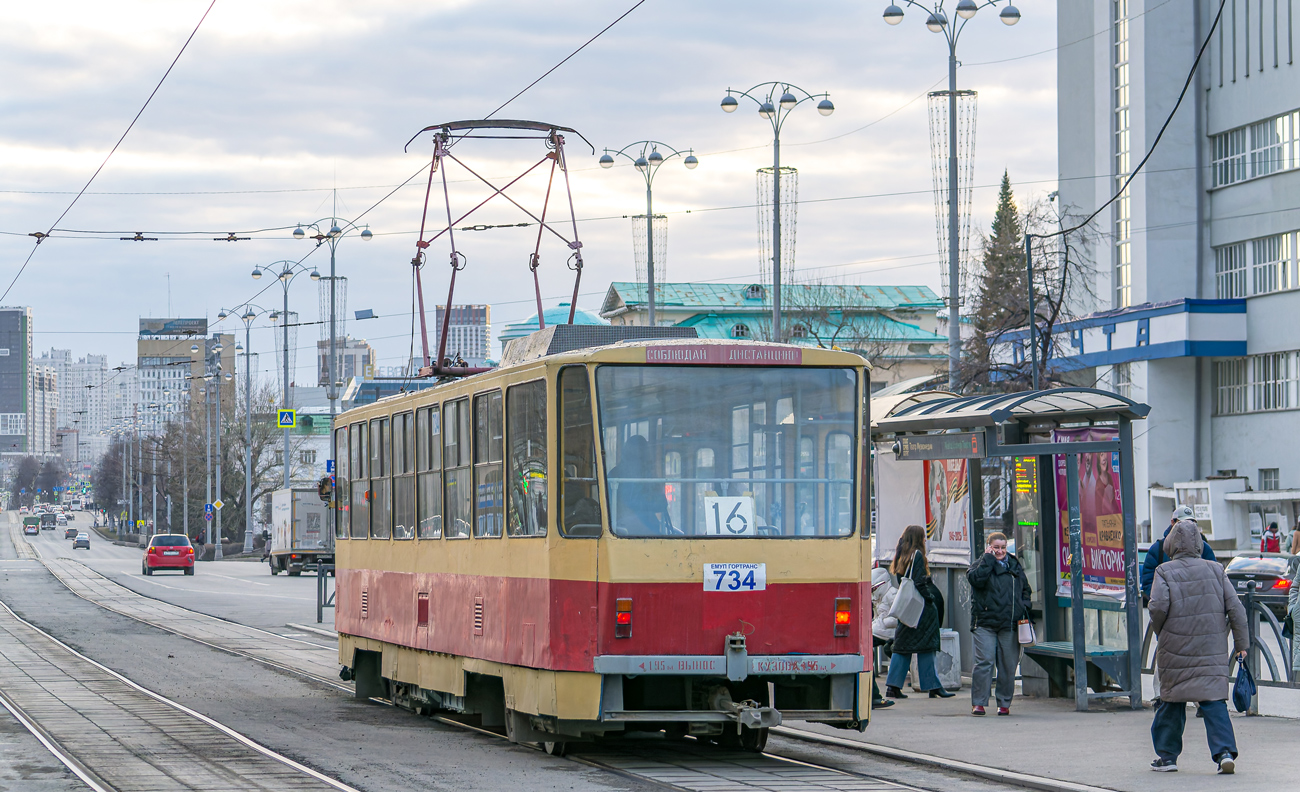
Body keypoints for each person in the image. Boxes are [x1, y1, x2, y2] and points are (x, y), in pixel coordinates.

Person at [1147, 519, 1248, 774]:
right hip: (1210, 650)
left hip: (1175, 649)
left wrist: (1162, 631)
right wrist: (1241, 644)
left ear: (1172, 544)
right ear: (1199, 544)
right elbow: (1236, 609)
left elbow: (1157, 607)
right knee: (1214, 702)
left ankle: (1167, 757)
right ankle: (1224, 753)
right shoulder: (1216, 570)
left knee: (1171, 701)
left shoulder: (1164, 571)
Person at [966, 531, 1032, 716]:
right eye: (996, 547)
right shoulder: (980, 564)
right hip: (985, 623)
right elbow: (976, 580)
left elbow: (1025, 589)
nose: (1000, 551)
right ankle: (979, 703)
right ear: (989, 547)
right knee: (984, 662)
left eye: (1003, 547)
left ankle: (1004, 703)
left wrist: (1023, 606)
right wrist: (988, 559)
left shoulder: (1014, 565)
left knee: (1008, 664)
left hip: (1009, 624)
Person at [884, 525, 954, 699]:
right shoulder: (918, 556)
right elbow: (919, 583)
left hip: (907, 610)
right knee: (927, 647)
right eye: (923, 537)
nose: (925, 540)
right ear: (918, 538)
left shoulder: (901, 556)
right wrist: (929, 598)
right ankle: (933, 686)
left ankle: (893, 687)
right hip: (921, 610)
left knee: (902, 648)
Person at [1141, 505, 1216, 603]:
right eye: (1182, 522)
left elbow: (1214, 581)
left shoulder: (1205, 548)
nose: (1187, 526)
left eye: (1191, 522)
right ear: (1172, 522)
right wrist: (1164, 601)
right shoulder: (1158, 549)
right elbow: (1148, 581)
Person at [608, 436, 673, 536]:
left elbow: (661, 504)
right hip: (633, 530)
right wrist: (648, 501)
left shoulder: (614, 474)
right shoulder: (646, 474)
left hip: (622, 529)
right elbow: (661, 504)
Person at [869, 567, 897, 709]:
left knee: (868, 651)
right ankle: (874, 696)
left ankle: (874, 696)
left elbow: (896, 617)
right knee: (868, 651)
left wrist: (882, 622)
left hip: (886, 631)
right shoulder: (880, 597)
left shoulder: (892, 595)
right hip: (882, 630)